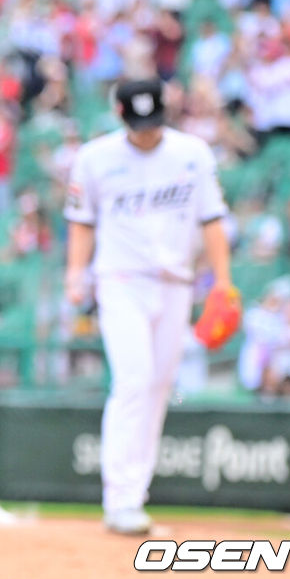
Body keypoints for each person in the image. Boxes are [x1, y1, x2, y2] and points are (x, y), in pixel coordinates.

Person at [64, 77, 233, 534]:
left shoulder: (192, 153)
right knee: (134, 380)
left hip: (176, 284)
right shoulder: (95, 158)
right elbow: (82, 222)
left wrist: (224, 282)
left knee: (158, 387)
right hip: (120, 280)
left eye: (153, 121)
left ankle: (134, 498)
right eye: (139, 123)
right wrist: (75, 274)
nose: (147, 131)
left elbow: (212, 219)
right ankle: (118, 500)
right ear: (120, 115)